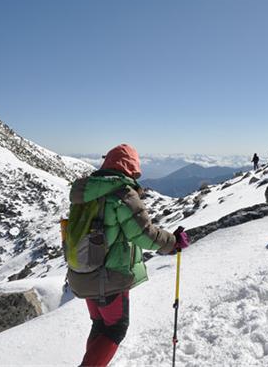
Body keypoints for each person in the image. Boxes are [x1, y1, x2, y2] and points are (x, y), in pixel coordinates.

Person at [66, 144, 189, 367]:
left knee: (100, 325)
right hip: (108, 277)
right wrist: (173, 242)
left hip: (81, 273)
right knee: (115, 328)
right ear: (129, 167)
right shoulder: (121, 194)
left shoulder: (85, 193)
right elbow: (145, 235)